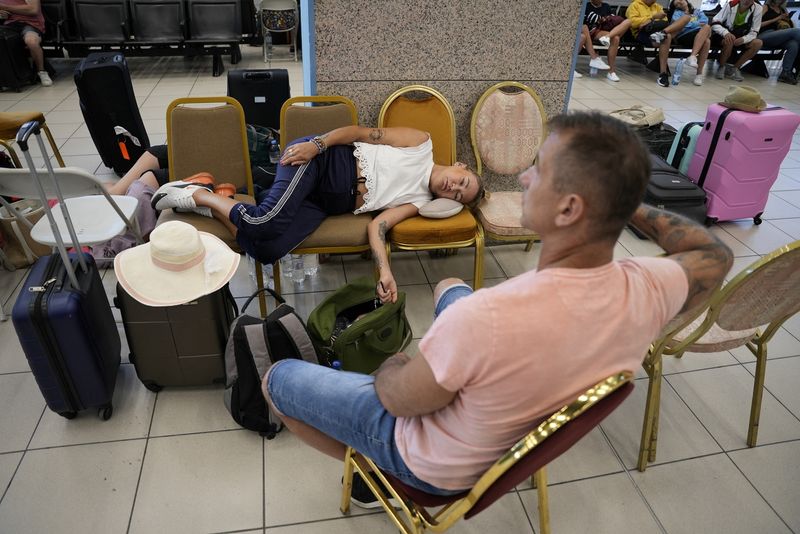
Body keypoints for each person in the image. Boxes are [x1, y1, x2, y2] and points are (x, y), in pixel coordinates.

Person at [259, 111, 733, 506]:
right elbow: (715, 256)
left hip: (433, 465)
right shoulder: (648, 286)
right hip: (510, 433)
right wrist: (621, 202)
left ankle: (373, 470)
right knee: (451, 285)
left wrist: (396, 365)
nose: (524, 176)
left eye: (539, 170)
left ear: (568, 210)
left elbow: (400, 399)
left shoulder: (487, 318)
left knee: (277, 379)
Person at [151, 127, 485, 303]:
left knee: (266, 250)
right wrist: (318, 146)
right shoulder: (419, 144)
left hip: (326, 203)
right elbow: (358, 132)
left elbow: (378, 226)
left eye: (458, 195)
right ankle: (194, 193)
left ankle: (215, 197)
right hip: (319, 161)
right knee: (265, 222)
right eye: (462, 181)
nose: (452, 187)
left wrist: (386, 272)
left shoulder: (420, 199)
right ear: (461, 166)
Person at [627, 0, 693, 87]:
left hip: (658, 31)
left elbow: (664, 22)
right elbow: (632, 22)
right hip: (642, 33)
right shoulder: (634, 5)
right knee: (667, 36)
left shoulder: (658, 6)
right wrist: (652, 17)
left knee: (686, 18)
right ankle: (663, 73)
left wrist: (655, 21)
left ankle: (663, 73)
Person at [0, 0, 51, 86]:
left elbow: (33, 10)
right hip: (9, 24)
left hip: (31, 24)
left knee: (31, 41)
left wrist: (4, 7)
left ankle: (41, 71)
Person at [711, 0, 763, 82]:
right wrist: (726, 33)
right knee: (729, 40)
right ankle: (721, 66)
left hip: (743, 36)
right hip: (725, 34)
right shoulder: (731, 4)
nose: (747, 1)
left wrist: (743, 39)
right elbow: (715, 22)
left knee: (758, 43)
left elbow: (754, 31)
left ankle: (735, 68)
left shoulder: (758, 8)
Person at [584, 0, 633, 82]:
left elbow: (613, 19)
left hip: (607, 31)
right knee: (616, 38)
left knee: (627, 23)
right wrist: (604, 18)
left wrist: (605, 19)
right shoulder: (587, 6)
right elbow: (591, 19)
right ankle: (611, 70)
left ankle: (611, 72)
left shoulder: (606, 6)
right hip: (593, 32)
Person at [668, 0, 712, 86]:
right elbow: (683, 25)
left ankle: (698, 74)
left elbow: (705, 21)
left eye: (680, 0)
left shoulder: (697, 11)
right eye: (676, 4)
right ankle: (694, 60)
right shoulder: (677, 13)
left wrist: (691, 23)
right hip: (683, 36)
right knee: (706, 29)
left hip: (698, 36)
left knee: (707, 41)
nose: (679, 3)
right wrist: (697, 24)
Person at [758, 0, 800, 85]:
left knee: (793, 44)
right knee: (796, 31)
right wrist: (776, 19)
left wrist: (788, 20)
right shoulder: (765, 7)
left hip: (778, 36)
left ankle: (785, 73)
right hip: (764, 35)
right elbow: (757, 24)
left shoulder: (783, 10)